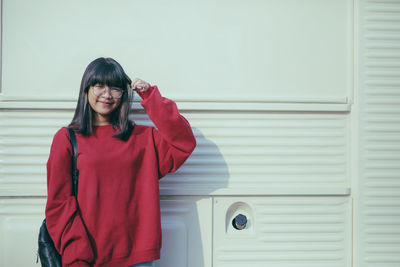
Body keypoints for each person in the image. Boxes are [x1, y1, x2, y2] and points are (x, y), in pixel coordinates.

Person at [45, 57, 197, 267]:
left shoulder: (144, 138)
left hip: (137, 259)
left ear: (123, 94)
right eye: (99, 86)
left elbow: (184, 142)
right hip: (86, 258)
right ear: (86, 89)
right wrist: (77, 255)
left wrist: (151, 97)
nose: (107, 95)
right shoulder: (66, 139)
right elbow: (59, 203)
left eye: (115, 88)